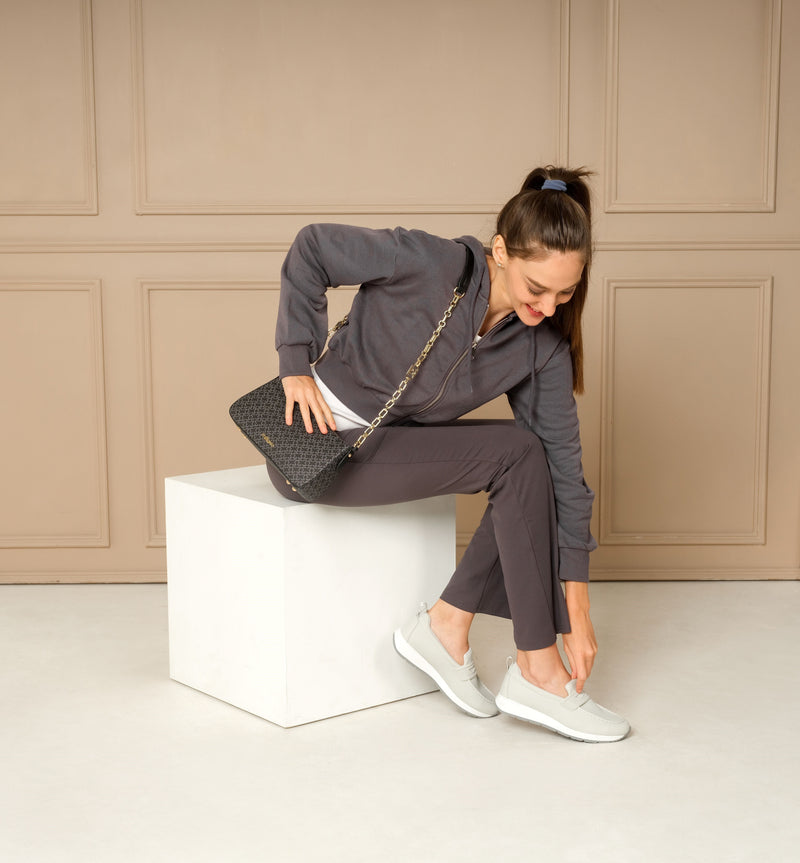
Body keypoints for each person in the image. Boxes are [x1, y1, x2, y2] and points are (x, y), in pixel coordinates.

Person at [270, 166, 630, 743]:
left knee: (527, 456)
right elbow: (313, 247)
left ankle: (450, 627)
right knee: (517, 456)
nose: (547, 307)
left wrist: (580, 607)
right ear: (501, 251)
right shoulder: (429, 264)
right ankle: (534, 668)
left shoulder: (540, 345)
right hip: (312, 445)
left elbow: (564, 469)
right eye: (536, 288)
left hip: (391, 445)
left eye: (565, 294)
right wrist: (295, 364)